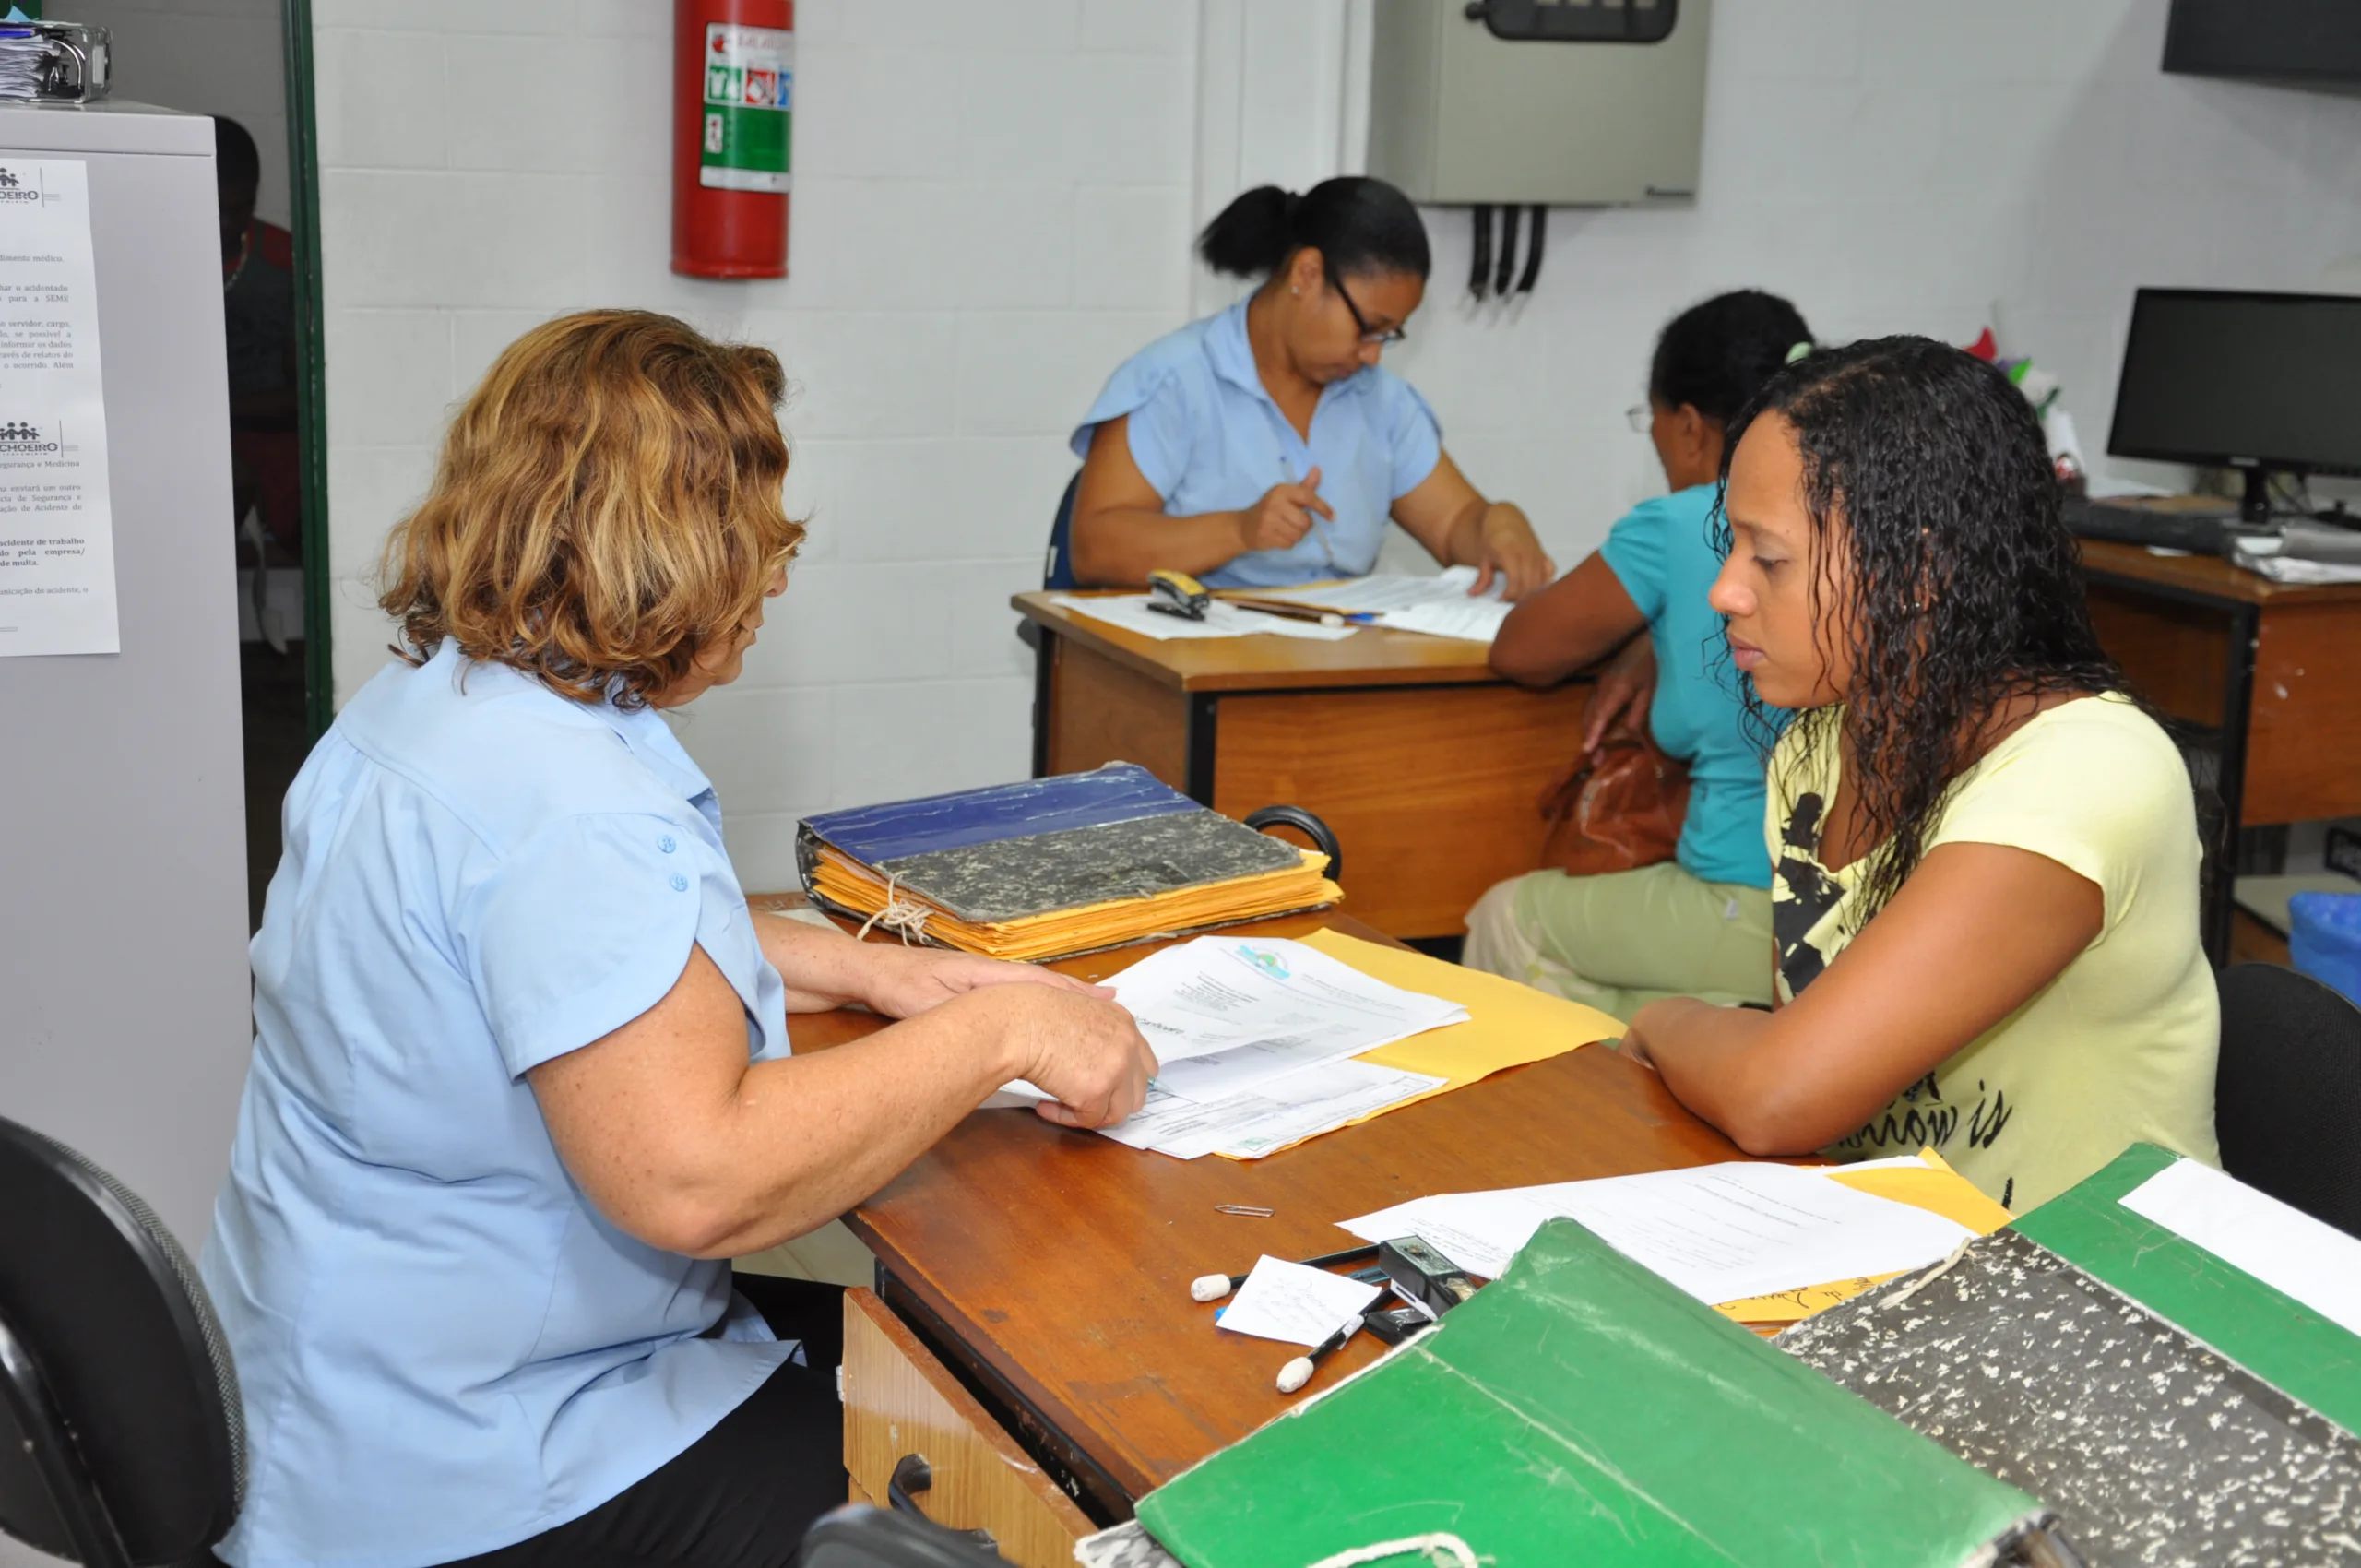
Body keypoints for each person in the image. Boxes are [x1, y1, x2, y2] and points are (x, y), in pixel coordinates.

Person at [200, 311, 1157, 1568]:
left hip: (333, 1387)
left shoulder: (431, 709)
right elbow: (694, 1180)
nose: (776, 567)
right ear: (674, 545)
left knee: (919, 1366)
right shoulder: (569, 806)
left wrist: (871, 963)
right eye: (756, 530)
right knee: (1019, 1476)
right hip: (475, 1462)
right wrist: (1007, 1025)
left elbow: (576, 944)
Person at [1619, 336, 2218, 1213]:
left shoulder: (2089, 773)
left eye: (1768, 558)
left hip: (2099, 1288)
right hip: (1890, 1244)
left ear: (1921, 571)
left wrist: (1656, 1020)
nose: (1725, 591)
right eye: (1731, 546)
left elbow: (1781, 1094)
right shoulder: (1816, 750)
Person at [1465, 291, 1812, 1019]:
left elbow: (1522, 650)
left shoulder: (1685, 521)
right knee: (1624, 1007)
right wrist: (1644, 640)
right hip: (1836, 905)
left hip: (1746, 898)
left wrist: (1642, 625)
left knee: (1506, 916)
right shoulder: (1841, 510)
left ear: (1688, 425)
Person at [1067, 176, 1553, 597]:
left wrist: (1497, 524)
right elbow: (1095, 546)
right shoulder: (1176, 381)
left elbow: (1454, 525)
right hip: (1196, 670)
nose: (1373, 354)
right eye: (1367, 327)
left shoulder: (1380, 402)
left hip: (1330, 665)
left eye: (1389, 335)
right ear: (1307, 274)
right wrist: (1239, 529)